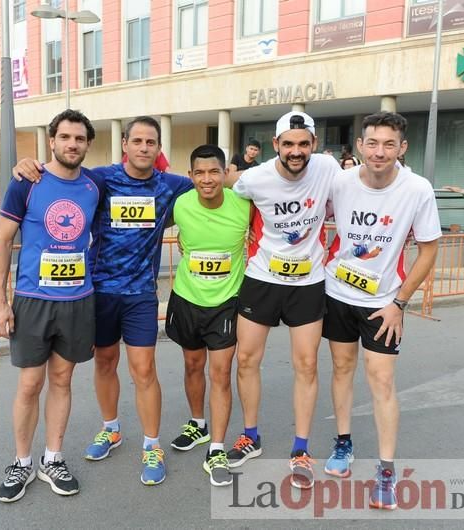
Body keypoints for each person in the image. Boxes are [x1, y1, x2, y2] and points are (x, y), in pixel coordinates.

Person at [13, 116, 194, 486]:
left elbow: (215, 182)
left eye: (151, 142)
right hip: (98, 291)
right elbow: (62, 174)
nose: (144, 147)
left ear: (159, 149)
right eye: (138, 140)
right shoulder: (100, 179)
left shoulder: (171, 186)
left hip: (141, 293)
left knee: (144, 369)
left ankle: (151, 445)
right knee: (105, 362)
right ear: (124, 144)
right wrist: (25, 165)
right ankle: (111, 428)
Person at [322, 112, 440, 510]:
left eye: (389, 144)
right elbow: (305, 214)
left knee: (381, 381)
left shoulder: (417, 189)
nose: (380, 152)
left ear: (402, 149)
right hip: (337, 293)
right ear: (359, 146)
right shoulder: (340, 183)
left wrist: (399, 304)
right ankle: (343, 444)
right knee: (341, 369)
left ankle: (386, 470)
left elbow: (428, 250)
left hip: (384, 302)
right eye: (372, 143)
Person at [0, 109, 103, 503]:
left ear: (88, 145)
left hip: (77, 301)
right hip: (33, 300)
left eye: (80, 138)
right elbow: (1, 243)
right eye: (65, 137)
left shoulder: (93, 186)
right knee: (29, 383)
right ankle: (21, 462)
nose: (72, 144)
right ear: (51, 141)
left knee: (62, 381)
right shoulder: (27, 181)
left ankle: (52, 458)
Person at [226, 111, 341, 490]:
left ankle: (301, 448)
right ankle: (250, 435)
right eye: (288, 144)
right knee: (246, 359)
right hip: (262, 279)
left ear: (314, 145)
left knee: (306, 364)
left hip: (308, 283)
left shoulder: (327, 168)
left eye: (303, 144)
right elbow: (218, 190)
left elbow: (363, 190)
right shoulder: (254, 179)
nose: (296, 152)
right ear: (275, 145)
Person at [166, 144, 250, 487]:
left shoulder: (244, 205)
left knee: (220, 372)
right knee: (191, 365)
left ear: (226, 173)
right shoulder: (180, 204)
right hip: (186, 297)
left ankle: (216, 447)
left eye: (214, 171)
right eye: (199, 173)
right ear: (190, 176)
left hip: (226, 302)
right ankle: (197, 424)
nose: (207, 179)